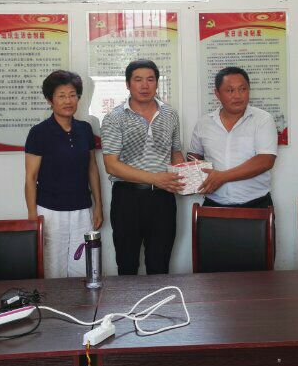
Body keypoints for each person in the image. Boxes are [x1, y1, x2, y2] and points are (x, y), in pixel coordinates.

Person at [100, 59, 185, 275]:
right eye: (138, 80)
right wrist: (155, 178)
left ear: (157, 83)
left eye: (150, 79)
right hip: (127, 199)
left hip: (163, 200)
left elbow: (176, 152)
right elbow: (111, 165)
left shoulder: (170, 114)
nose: (145, 85)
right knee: (127, 265)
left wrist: (186, 177)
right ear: (128, 84)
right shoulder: (114, 118)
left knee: (160, 265)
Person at [24, 70, 103, 278]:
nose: (68, 101)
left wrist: (98, 206)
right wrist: (32, 217)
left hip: (82, 210)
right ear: (50, 100)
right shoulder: (39, 132)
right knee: (52, 271)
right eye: (61, 96)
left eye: (72, 95)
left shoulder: (85, 129)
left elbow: (92, 168)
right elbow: (31, 178)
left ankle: (81, 301)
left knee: (83, 269)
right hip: (50, 212)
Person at [188, 67, 277, 208]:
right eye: (230, 90)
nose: (237, 96)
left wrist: (222, 177)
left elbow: (265, 160)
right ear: (217, 93)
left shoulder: (263, 119)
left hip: (255, 205)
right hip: (213, 204)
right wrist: (192, 176)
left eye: (243, 89)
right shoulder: (204, 123)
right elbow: (194, 157)